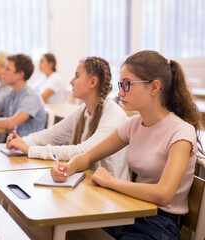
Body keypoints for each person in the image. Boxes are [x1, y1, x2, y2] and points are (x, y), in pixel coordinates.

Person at [51, 50, 204, 239]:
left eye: (127, 85)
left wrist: (111, 182)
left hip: (159, 224)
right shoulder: (133, 124)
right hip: (131, 211)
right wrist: (67, 168)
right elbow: (89, 156)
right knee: (66, 223)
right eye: (120, 84)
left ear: (154, 87)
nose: (120, 92)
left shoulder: (180, 132)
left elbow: (163, 195)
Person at [7, 57, 129, 180]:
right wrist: (22, 142)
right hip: (89, 180)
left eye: (77, 76)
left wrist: (31, 150)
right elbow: (52, 134)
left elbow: (82, 152)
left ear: (93, 82)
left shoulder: (113, 115)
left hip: (110, 191)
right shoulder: (83, 110)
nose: (71, 81)